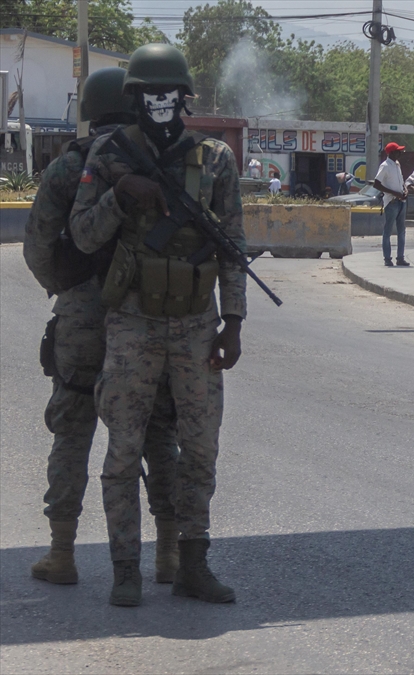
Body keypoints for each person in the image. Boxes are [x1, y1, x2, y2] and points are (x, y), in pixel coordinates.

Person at [70, 43, 246, 607]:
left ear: (185, 97)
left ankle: (193, 562)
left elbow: (232, 246)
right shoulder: (107, 154)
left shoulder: (215, 158)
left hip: (197, 324)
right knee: (123, 449)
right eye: (149, 94)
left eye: (168, 93)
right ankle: (127, 569)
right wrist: (121, 196)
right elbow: (83, 235)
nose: (160, 101)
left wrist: (234, 320)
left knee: (200, 449)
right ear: (135, 99)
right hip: (132, 324)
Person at [22, 66, 180, 592]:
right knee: (158, 427)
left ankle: (62, 554)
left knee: (73, 426)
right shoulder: (157, 159)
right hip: (145, 311)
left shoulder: (70, 166)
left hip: (84, 316)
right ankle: (170, 556)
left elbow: (39, 247)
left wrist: (70, 292)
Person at [373, 143, 409, 267]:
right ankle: (387, 258)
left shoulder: (397, 164)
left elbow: (402, 181)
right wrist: (394, 193)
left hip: (401, 201)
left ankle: (400, 257)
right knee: (387, 231)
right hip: (391, 202)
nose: (400, 153)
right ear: (392, 153)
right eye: (398, 151)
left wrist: (405, 190)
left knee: (401, 231)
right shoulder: (385, 166)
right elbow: (376, 184)